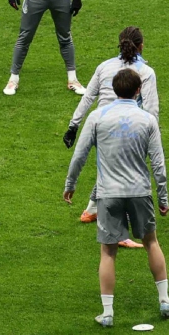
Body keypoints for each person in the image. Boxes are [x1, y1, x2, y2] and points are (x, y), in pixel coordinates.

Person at [64, 67, 169, 326]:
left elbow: (80, 154)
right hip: (140, 192)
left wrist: (71, 183)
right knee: (151, 243)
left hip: (108, 194)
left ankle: (108, 313)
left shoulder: (98, 117)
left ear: (113, 89)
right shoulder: (147, 120)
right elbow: (158, 163)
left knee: (108, 252)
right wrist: (163, 197)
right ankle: (165, 300)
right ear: (138, 90)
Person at [66, 27, 159, 237]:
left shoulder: (104, 66)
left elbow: (88, 97)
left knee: (108, 167)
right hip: (129, 127)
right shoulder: (145, 72)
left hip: (99, 126)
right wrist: (151, 135)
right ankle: (118, 228)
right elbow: (152, 109)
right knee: (124, 171)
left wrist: (73, 125)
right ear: (141, 46)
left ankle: (91, 210)